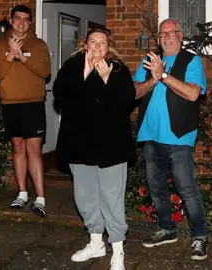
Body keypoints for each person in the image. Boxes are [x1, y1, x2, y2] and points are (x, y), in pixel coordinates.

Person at [52, 28, 136, 270]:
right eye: (93, 41)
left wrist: (108, 79)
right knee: (85, 196)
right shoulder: (72, 66)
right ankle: (96, 242)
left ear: (109, 46)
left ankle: (118, 249)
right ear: (84, 44)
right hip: (80, 144)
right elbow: (60, 95)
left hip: (112, 146)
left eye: (102, 42)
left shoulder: (117, 68)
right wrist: (85, 74)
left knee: (112, 196)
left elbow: (126, 99)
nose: (98, 46)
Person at [133, 19, 209, 261]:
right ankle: (167, 229)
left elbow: (193, 93)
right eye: (162, 33)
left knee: (187, 189)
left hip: (179, 137)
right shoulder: (149, 60)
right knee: (156, 188)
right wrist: (153, 78)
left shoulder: (191, 60)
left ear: (180, 35)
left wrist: (163, 75)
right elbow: (133, 91)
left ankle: (200, 236)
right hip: (150, 136)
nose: (166, 37)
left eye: (171, 32)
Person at [0, 5, 51, 217]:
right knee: (17, 148)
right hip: (10, 104)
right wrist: (10, 55)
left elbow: (45, 71)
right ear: (11, 20)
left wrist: (23, 57)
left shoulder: (39, 44)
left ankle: (40, 198)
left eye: (26, 19)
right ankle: (22, 193)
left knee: (34, 150)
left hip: (33, 103)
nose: (22, 23)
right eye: (18, 18)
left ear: (30, 22)